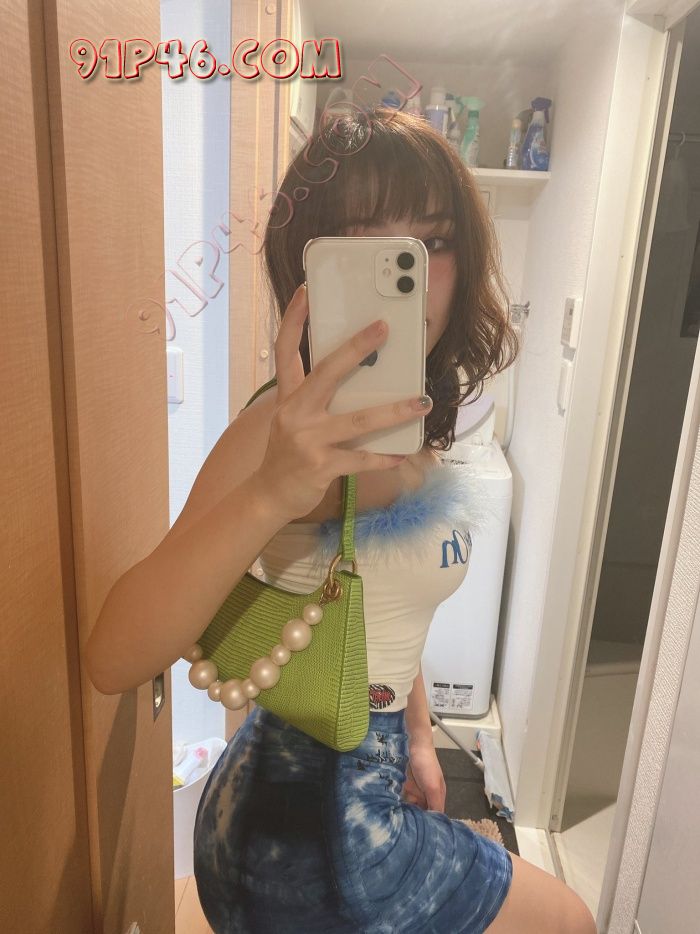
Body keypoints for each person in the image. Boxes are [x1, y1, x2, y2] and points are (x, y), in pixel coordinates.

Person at [87, 107, 597, 933]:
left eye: (432, 242)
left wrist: (420, 737)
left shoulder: (412, 415)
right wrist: (272, 492)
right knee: (567, 920)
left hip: (352, 797)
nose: (406, 272)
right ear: (308, 269)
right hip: (306, 845)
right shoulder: (276, 431)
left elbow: (378, 603)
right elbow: (114, 658)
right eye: (363, 244)